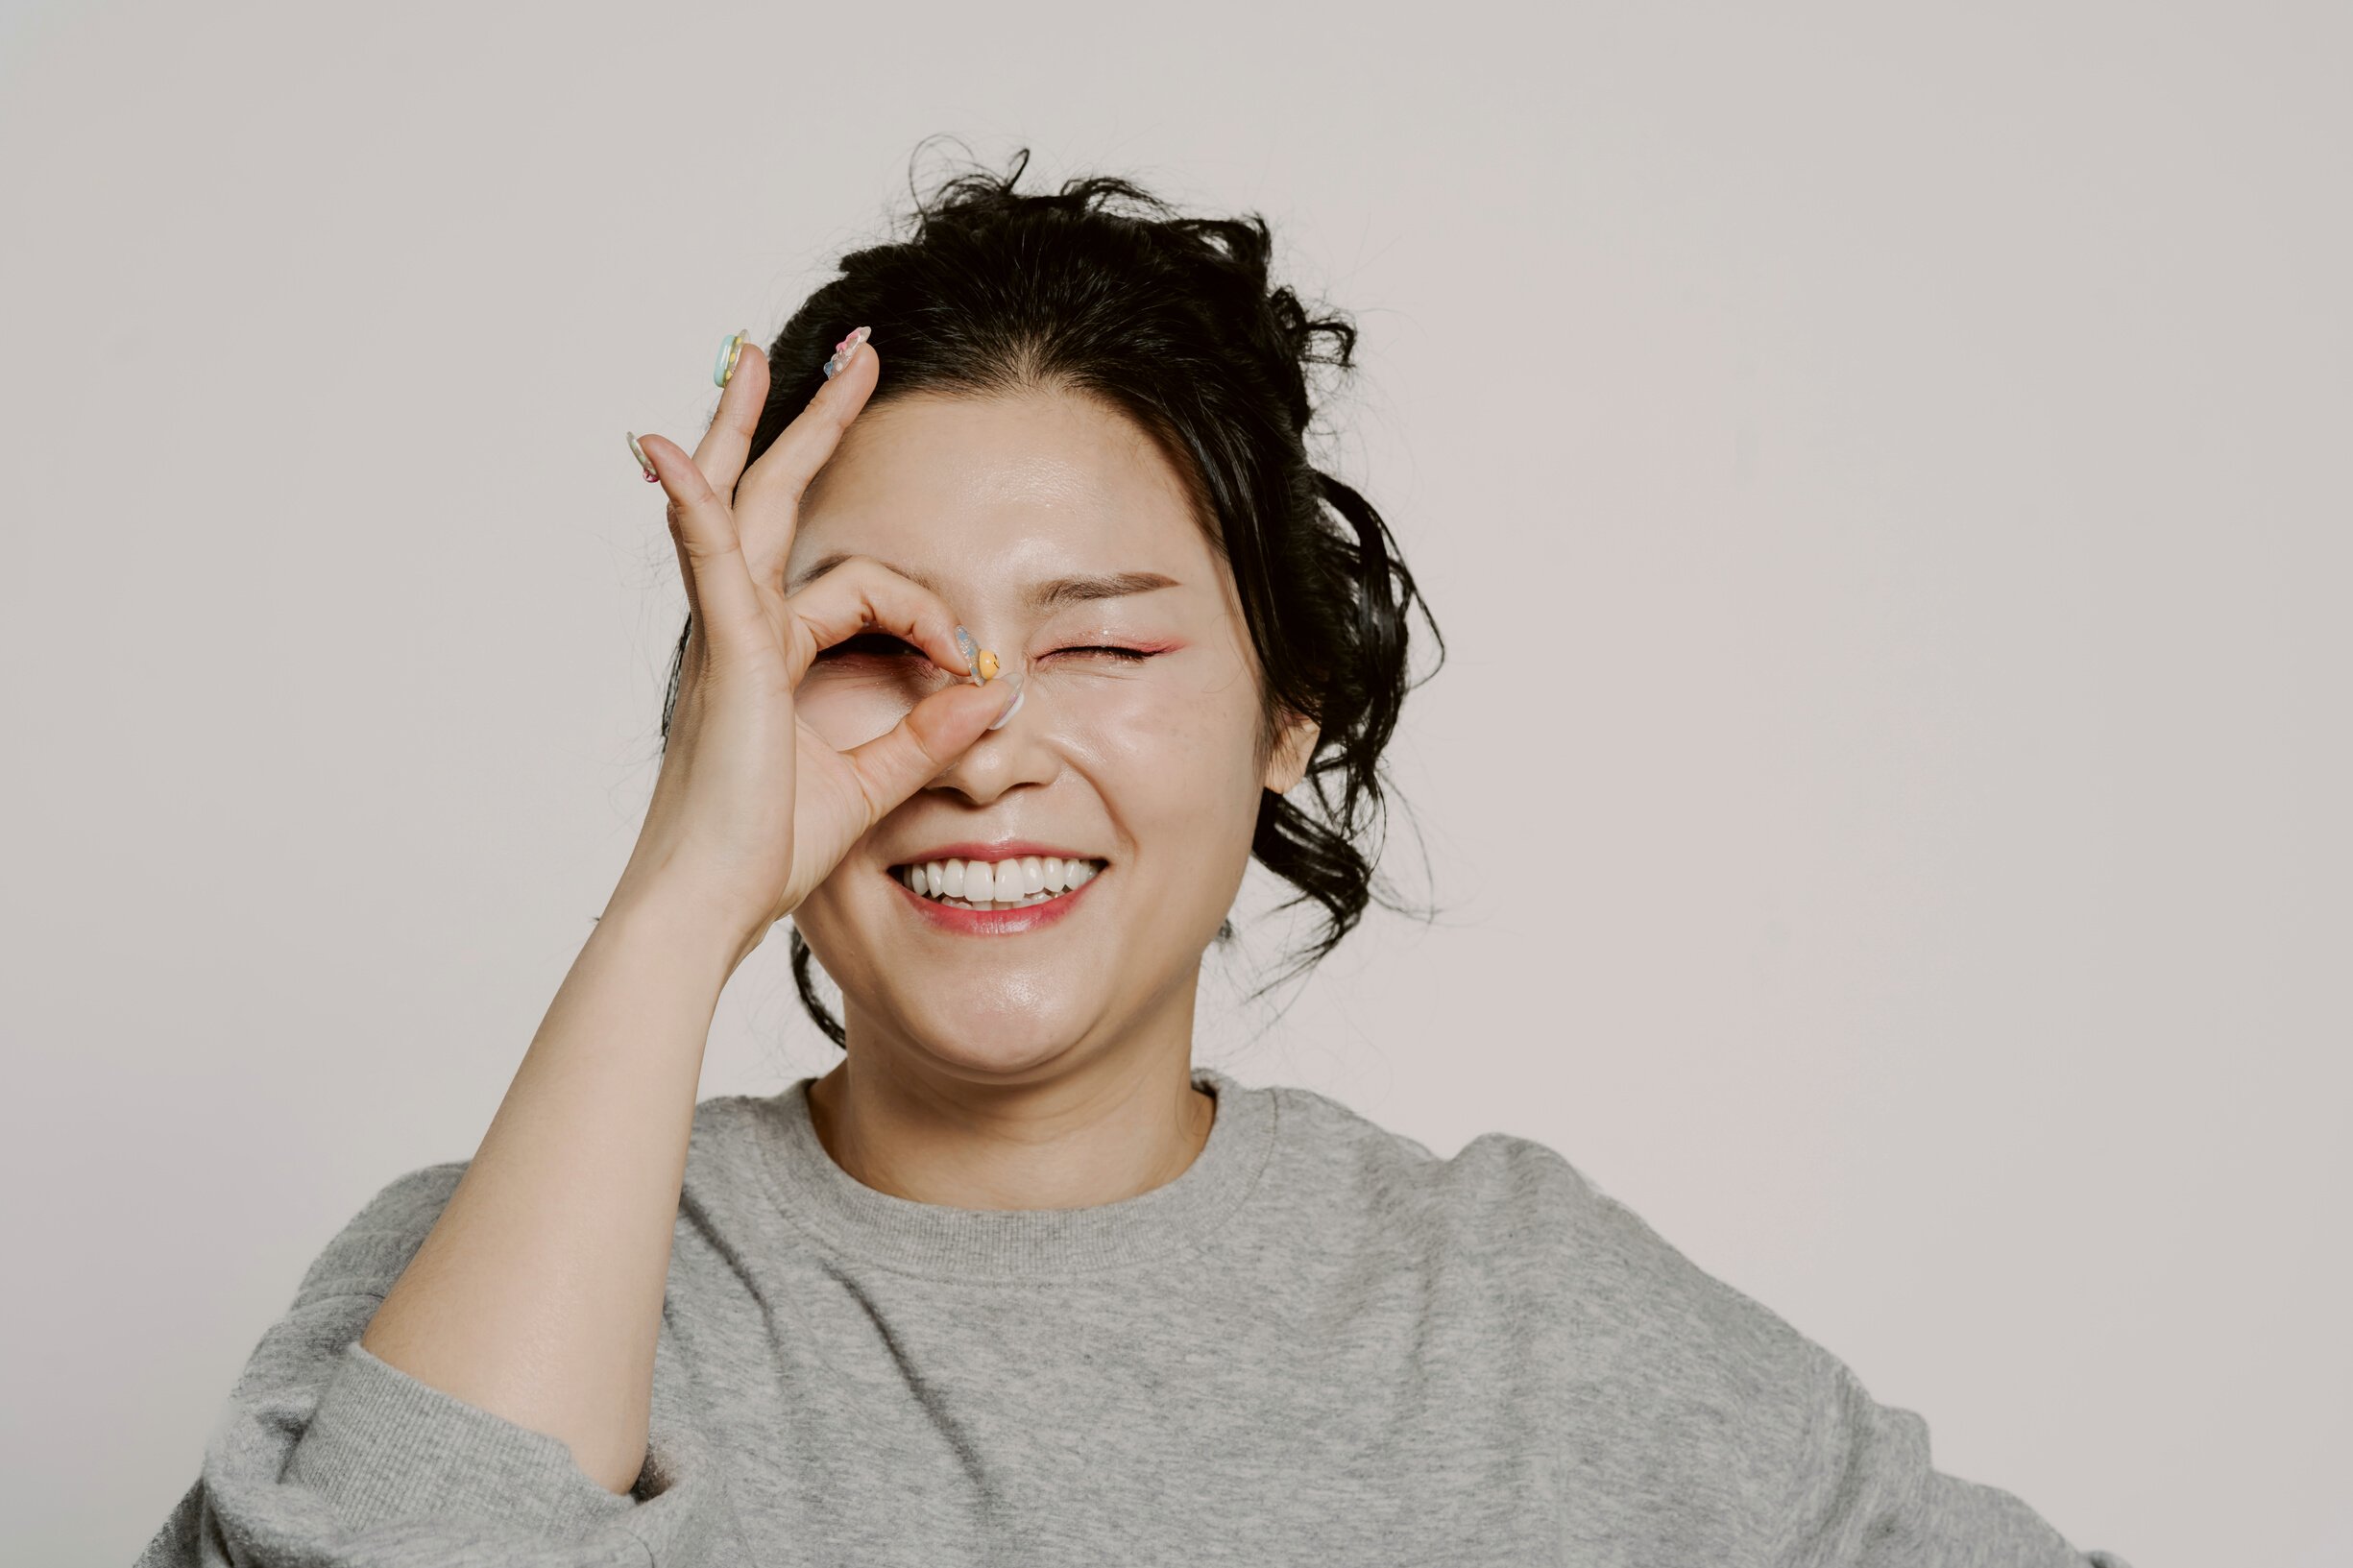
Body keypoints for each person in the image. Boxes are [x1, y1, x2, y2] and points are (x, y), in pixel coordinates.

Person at [136, 151, 2134, 1567]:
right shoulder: (506, 1266)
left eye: (1099, 640)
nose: (984, 739)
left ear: (1288, 710)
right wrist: (684, 896)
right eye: (868, 645)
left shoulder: (1520, 1319)